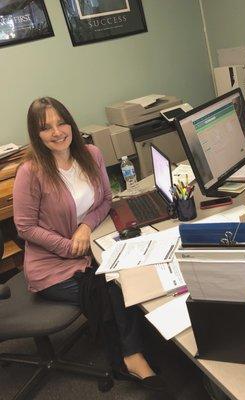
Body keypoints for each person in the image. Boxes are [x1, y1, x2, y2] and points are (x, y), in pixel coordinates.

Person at [13, 97, 170, 394]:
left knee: (130, 274)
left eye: (61, 123)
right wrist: (69, 246)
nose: (57, 132)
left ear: (71, 123)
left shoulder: (91, 154)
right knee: (111, 289)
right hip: (51, 266)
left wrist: (85, 228)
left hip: (90, 246)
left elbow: (105, 201)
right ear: (36, 134)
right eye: (46, 128)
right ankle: (130, 358)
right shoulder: (30, 172)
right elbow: (25, 227)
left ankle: (138, 346)